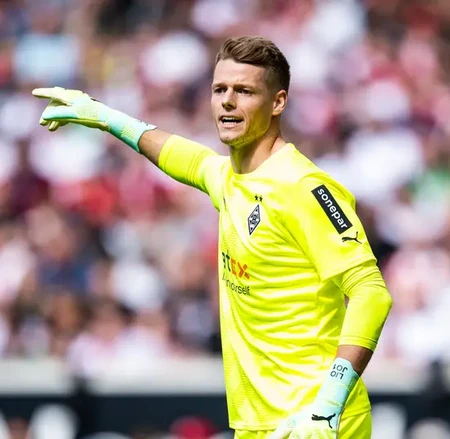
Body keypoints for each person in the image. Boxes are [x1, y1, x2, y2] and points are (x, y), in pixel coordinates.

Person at [32, 36, 392, 439]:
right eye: (220, 89)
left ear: (278, 102)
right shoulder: (231, 178)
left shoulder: (302, 187)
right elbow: (186, 158)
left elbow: (371, 293)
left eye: (244, 91)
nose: (228, 102)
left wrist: (328, 407)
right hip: (260, 423)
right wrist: (103, 115)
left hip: (315, 421)